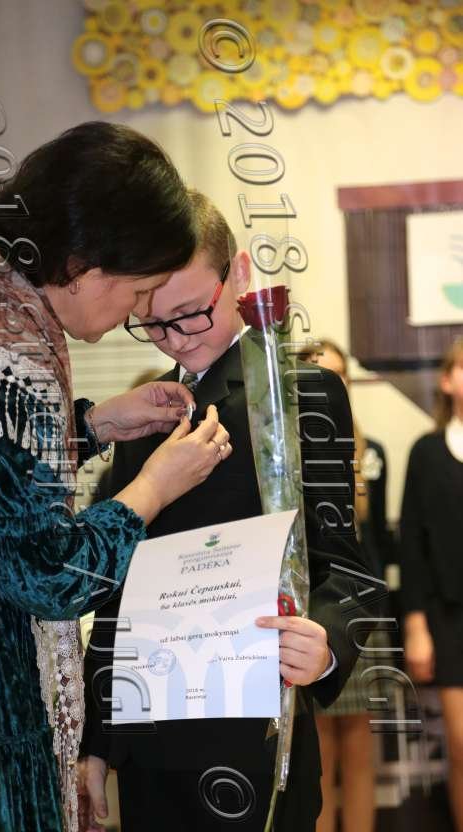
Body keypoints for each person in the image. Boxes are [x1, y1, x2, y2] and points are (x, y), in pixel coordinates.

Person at [0, 123, 233, 832]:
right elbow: (44, 576)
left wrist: (92, 424)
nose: (139, 313)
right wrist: (152, 489)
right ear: (85, 265)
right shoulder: (11, 355)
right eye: (139, 291)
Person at [78, 191, 375, 832]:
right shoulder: (144, 414)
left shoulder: (301, 395)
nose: (173, 337)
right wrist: (95, 742)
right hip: (151, 743)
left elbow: (348, 566)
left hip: (255, 739)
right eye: (151, 322)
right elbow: (118, 588)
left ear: (237, 274)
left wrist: (325, 646)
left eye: (190, 313)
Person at [310, 340, 390, 832]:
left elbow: (377, 538)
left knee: (360, 749)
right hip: (316, 613)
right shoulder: (289, 450)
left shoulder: (371, 452)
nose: (328, 384)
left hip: (364, 610)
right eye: (318, 372)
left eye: (338, 374)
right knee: (318, 753)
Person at [400, 336, 463, 832]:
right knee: (462, 748)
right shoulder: (426, 452)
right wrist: (417, 625)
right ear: (446, 381)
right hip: (449, 616)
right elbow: (413, 545)